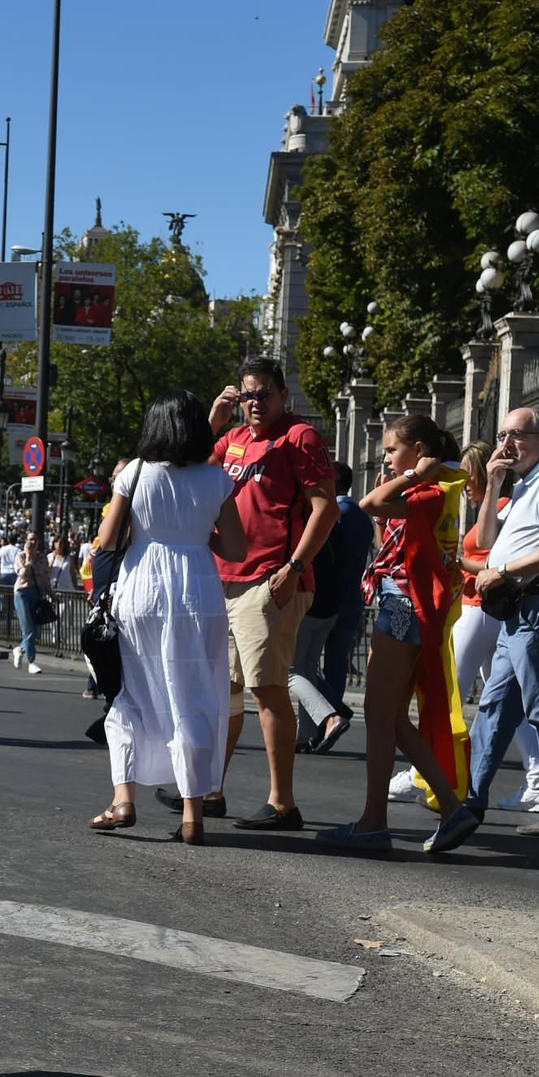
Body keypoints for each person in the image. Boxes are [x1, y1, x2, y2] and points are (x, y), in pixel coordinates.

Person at [180, 355, 338, 828]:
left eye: (263, 394)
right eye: (247, 395)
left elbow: (325, 508)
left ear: (283, 395)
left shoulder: (300, 436)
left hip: (270, 579)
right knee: (223, 691)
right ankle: (211, 790)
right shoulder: (233, 438)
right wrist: (212, 422)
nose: (254, 403)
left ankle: (282, 803)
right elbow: (187, 476)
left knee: (267, 690)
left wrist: (294, 568)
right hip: (224, 579)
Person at [425, 407, 539, 851]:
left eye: (517, 435)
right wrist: (494, 484)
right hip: (520, 609)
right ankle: (470, 801)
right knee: (495, 708)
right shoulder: (526, 485)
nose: (506, 444)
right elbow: (487, 541)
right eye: (502, 435)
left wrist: (501, 571)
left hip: (538, 607)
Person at [85, 393, 245, 842]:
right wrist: (198, 536)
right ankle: (193, 814)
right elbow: (237, 548)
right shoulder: (216, 479)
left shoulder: (135, 472)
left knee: (129, 694)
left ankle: (123, 799)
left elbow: (107, 539)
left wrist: (149, 531)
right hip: (198, 588)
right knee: (193, 695)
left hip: (142, 588)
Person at [318, 416, 476, 851]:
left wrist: (409, 476)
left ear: (419, 450)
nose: (386, 458)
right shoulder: (440, 488)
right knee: (390, 717)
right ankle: (449, 808)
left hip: (403, 606)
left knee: (379, 713)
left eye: (392, 450)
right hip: (410, 604)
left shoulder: (428, 490)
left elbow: (368, 504)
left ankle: (377, 822)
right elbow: (389, 529)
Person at [427, 441, 539, 812]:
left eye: (468, 474)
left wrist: (455, 560)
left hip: (479, 608)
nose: (463, 482)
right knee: (506, 701)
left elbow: (496, 562)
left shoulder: (500, 506)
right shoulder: (491, 506)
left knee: (448, 691)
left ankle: (425, 774)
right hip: (479, 607)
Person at [290, 461, 370, 755]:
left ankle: (331, 713)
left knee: (296, 668)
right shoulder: (360, 515)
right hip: (347, 600)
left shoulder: (330, 516)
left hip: (317, 599)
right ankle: (310, 732)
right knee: (330, 664)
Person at [13, 530, 52, 674]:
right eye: (30, 539)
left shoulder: (43, 558)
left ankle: (20, 649)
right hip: (22, 592)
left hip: (36, 593)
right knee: (28, 628)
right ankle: (31, 661)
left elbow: (45, 579)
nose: (33, 542)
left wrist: (52, 594)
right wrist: (29, 558)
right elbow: (22, 574)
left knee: (35, 630)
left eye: (35, 539)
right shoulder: (21, 556)